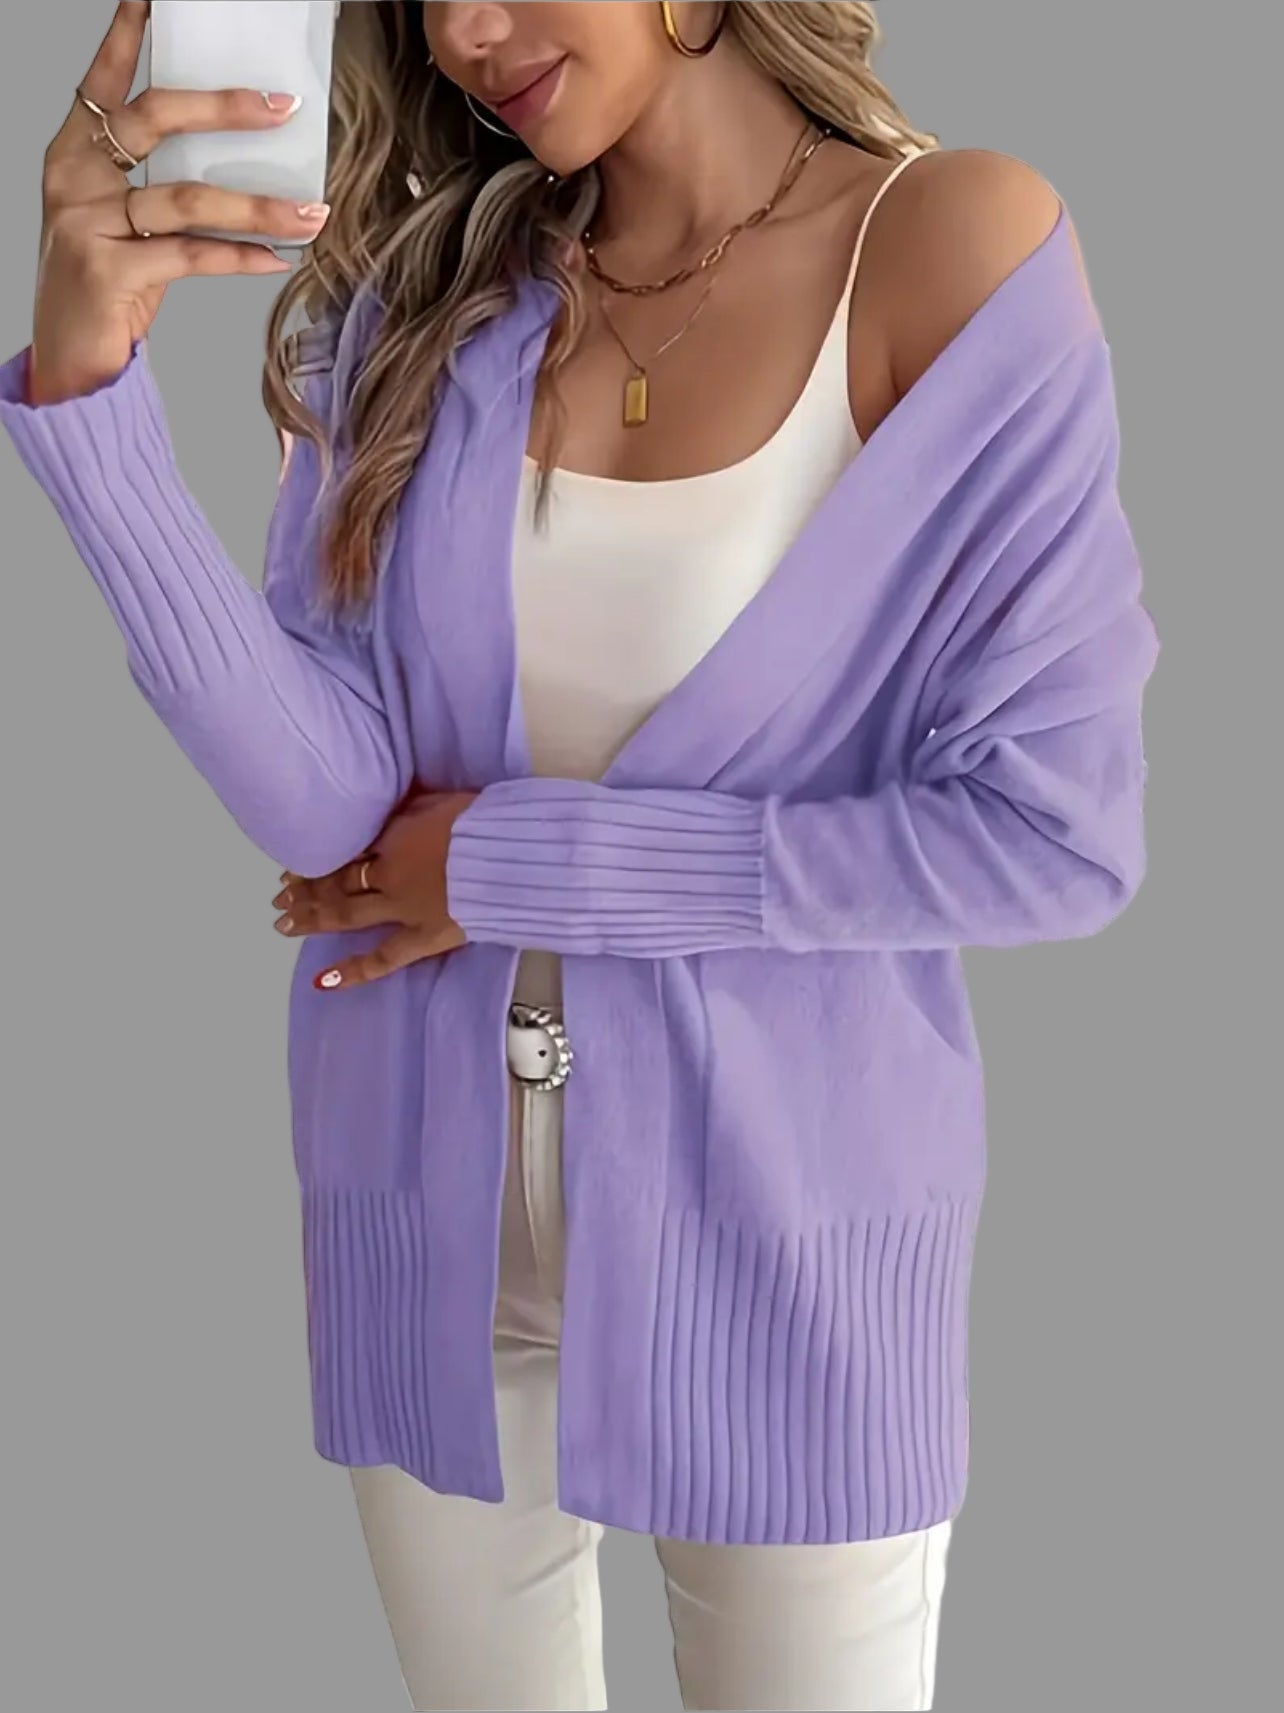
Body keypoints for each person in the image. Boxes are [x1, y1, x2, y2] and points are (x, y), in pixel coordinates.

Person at [0, 3, 1159, 1709]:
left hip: (791, 1246)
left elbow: (1053, 831)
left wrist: (515, 869)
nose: (467, 32)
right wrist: (92, 398)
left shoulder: (946, 248)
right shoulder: (429, 298)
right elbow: (330, 812)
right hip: (423, 1217)